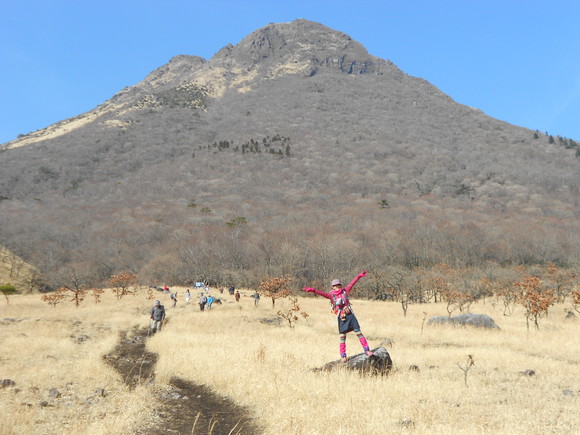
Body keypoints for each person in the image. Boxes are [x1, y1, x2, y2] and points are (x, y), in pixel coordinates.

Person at [303, 271, 373, 362]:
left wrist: (359, 276)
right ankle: (343, 356)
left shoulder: (345, 291)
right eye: (335, 286)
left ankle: (367, 350)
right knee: (342, 337)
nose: (337, 287)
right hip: (341, 317)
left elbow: (352, 283)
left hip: (350, 315)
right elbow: (321, 293)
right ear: (332, 287)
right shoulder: (331, 295)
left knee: (358, 333)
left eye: (339, 285)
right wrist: (312, 290)